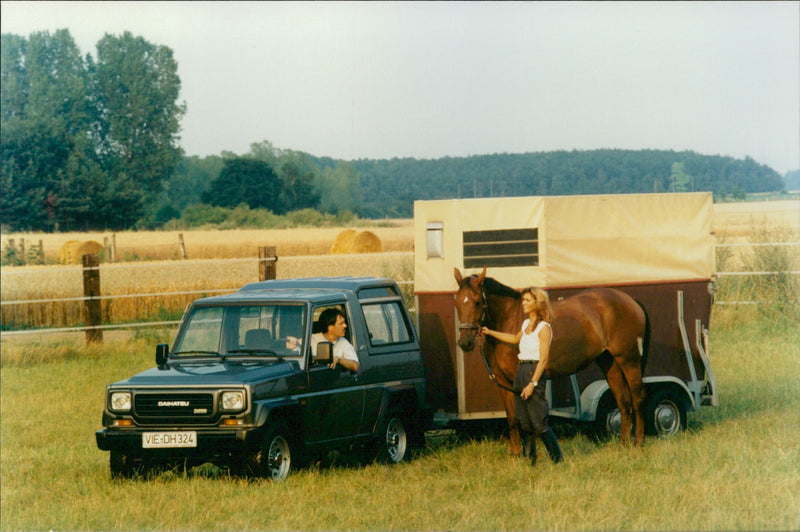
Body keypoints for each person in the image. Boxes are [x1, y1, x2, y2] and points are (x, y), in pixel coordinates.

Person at [481, 287, 563, 465]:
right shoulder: (526, 324)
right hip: (521, 370)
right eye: (523, 299)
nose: (523, 303)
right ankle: (531, 460)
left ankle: (558, 460)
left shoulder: (544, 328)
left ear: (538, 303)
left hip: (534, 372)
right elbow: (513, 339)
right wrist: (490, 332)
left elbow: (544, 359)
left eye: (527, 300)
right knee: (523, 421)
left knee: (539, 421)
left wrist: (533, 383)